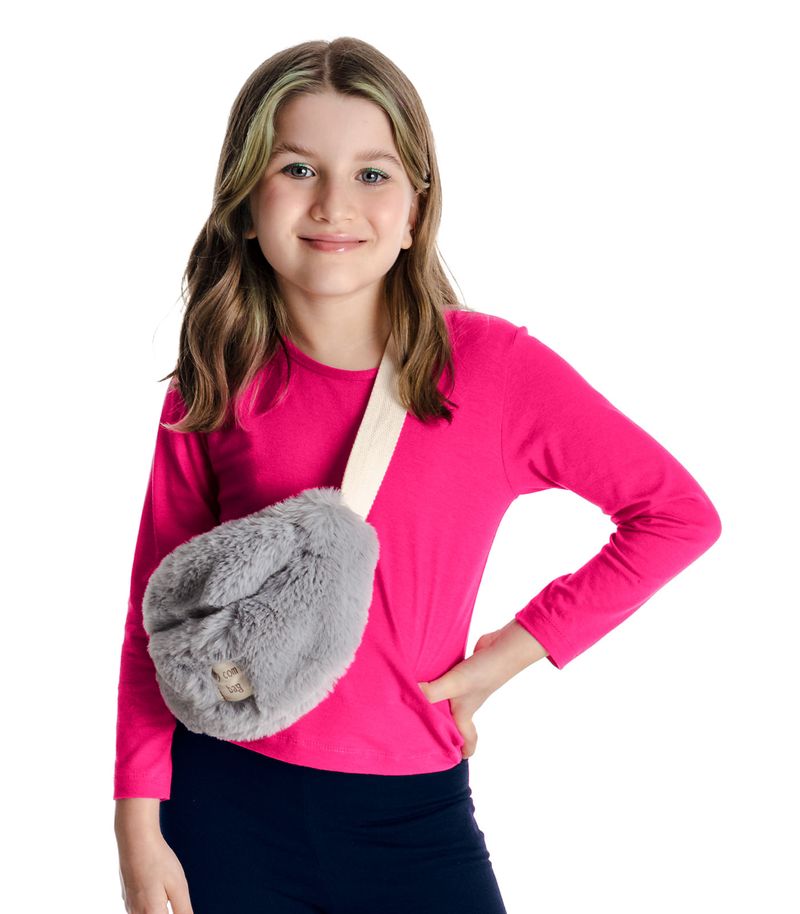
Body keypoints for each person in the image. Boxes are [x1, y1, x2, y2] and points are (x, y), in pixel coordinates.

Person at [113, 36, 722, 914]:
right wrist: (138, 822)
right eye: (297, 168)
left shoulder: (496, 372)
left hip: (412, 816)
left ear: (413, 212)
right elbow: (159, 615)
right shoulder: (217, 375)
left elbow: (676, 514)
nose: (334, 204)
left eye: (373, 174)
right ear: (245, 204)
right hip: (221, 800)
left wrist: (506, 656)